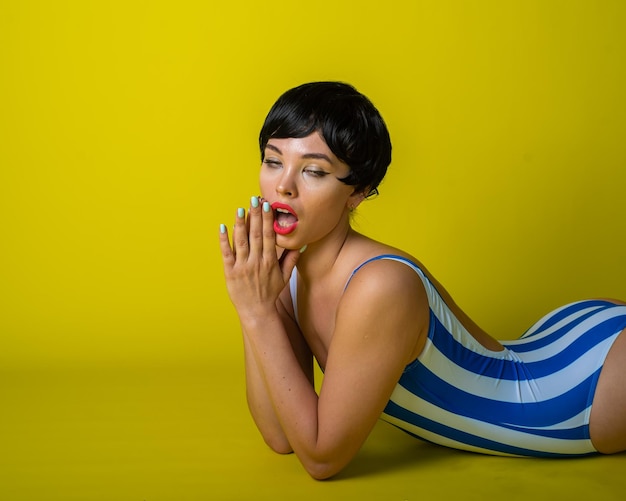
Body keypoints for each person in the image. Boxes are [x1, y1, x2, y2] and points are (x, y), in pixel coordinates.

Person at [218, 81, 626, 480]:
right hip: (553, 341)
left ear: (357, 191)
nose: (283, 186)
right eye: (273, 161)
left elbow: (322, 457)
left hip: (584, 390)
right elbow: (280, 435)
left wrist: (257, 314)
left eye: (313, 171)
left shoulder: (380, 286)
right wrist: (255, 303)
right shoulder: (286, 278)